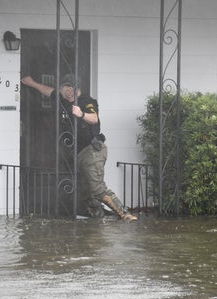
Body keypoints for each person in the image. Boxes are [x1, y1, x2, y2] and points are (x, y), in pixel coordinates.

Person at [21, 74, 138, 222]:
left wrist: (81, 114)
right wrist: (32, 83)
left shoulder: (86, 101)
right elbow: (49, 91)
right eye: (64, 88)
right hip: (78, 153)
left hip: (92, 150)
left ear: (77, 89)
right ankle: (96, 218)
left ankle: (125, 214)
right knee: (86, 192)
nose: (67, 91)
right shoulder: (63, 99)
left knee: (97, 188)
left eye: (70, 88)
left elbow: (94, 118)